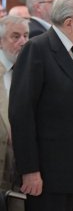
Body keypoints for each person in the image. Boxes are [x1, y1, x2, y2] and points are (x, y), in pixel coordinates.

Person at [9, 0, 73, 211]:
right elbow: (22, 113)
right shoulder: (37, 49)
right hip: (49, 175)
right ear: (69, 22)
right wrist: (30, 170)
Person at [0, 16, 29, 193]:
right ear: (1, 41)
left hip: (21, 168)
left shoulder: (30, 70)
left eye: (26, 35)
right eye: (15, 36)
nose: (23, 42)